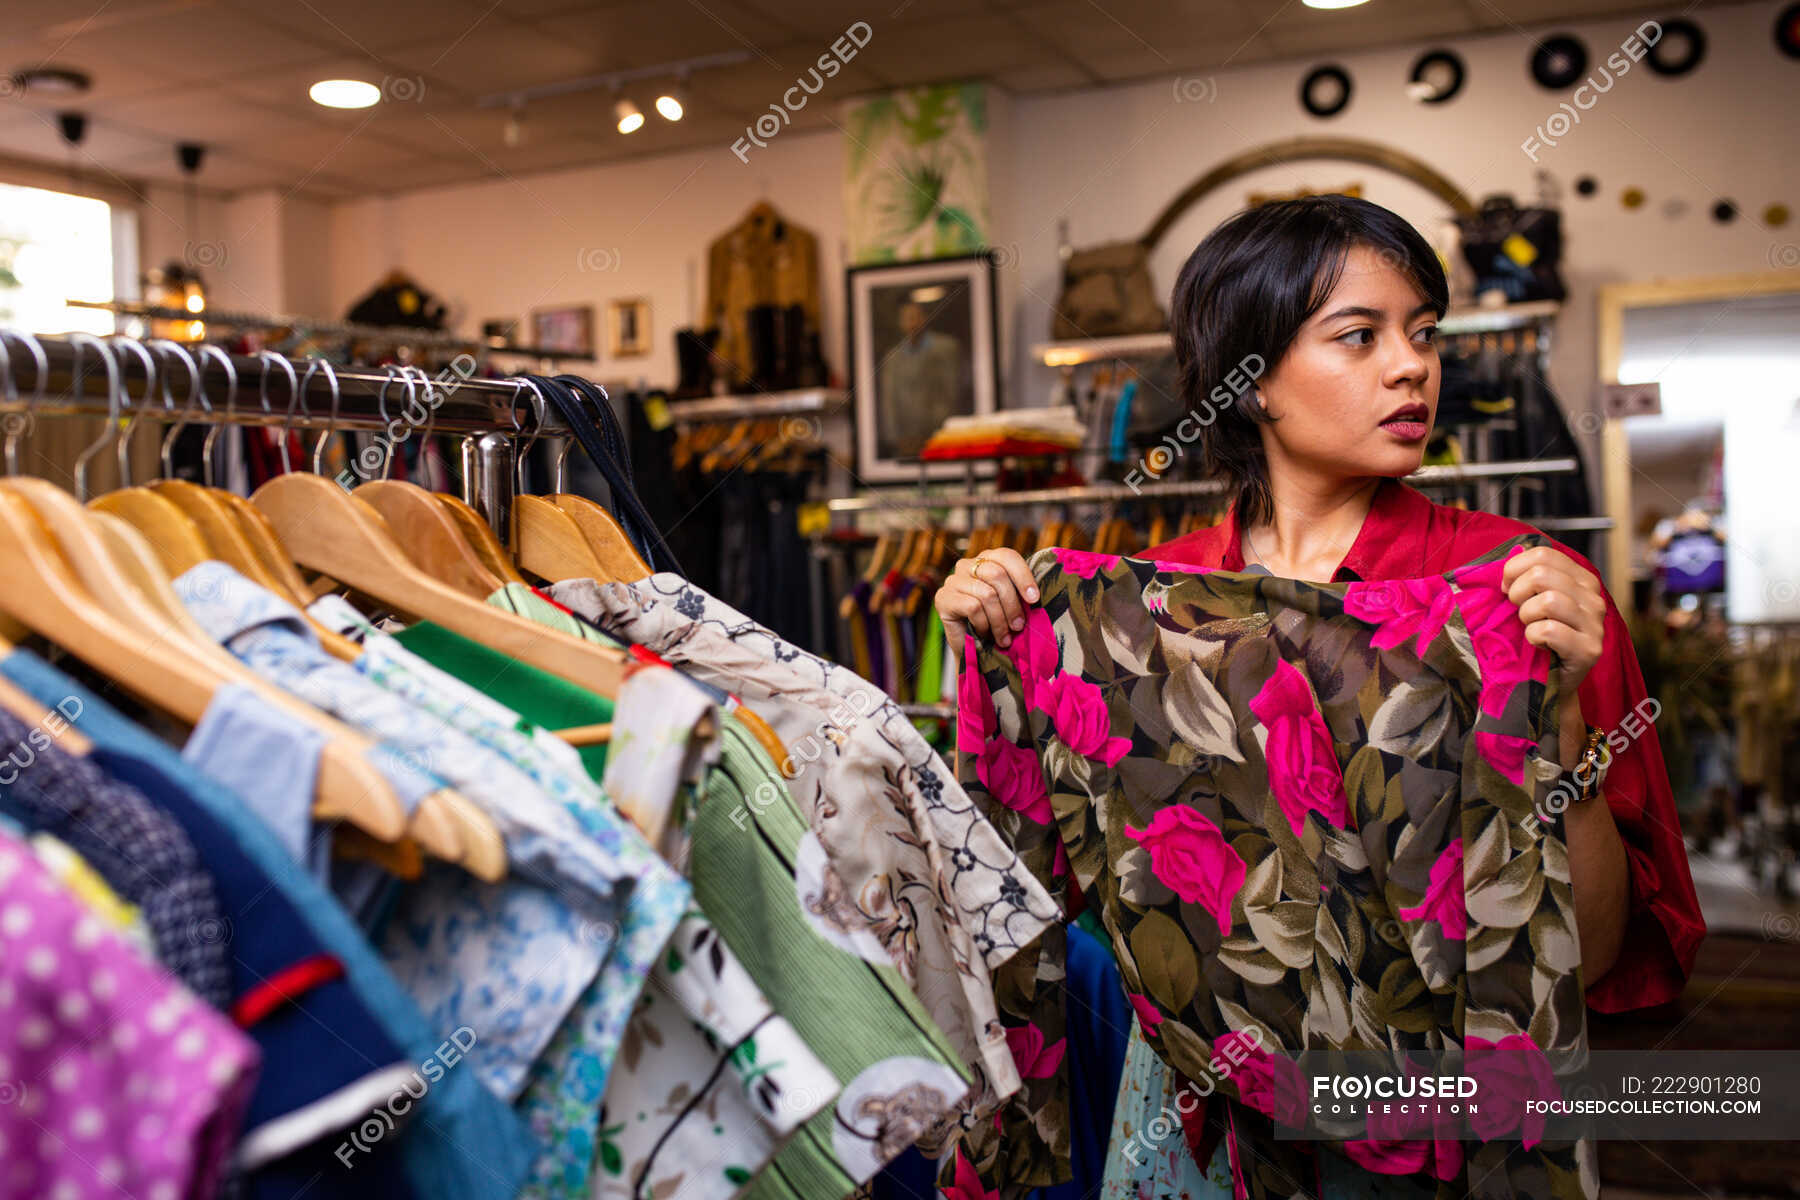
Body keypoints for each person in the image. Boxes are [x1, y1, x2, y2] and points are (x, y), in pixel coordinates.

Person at [932, 194, 1703, 1195]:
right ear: (1249, 382)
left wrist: (1562, 729)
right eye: (1360, 335)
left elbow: (1593, 960)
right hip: (1194, 1125)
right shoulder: (1144, 613)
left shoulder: (1523, 587)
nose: (1412, 364)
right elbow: (1049, 900)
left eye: (1424, 334)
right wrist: (1000, 660)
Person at [877, 298, 965, 458]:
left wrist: (945, 426)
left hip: (941, 433)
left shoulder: (946, 348)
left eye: (915, 317)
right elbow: (889, 400)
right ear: (900, 322)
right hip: (907, 438)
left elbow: (952, 390)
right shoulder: (892, 358)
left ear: (925, 317)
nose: (912, 323)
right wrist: (895, 436)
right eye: (906, 318)